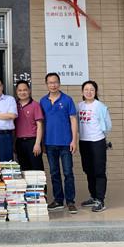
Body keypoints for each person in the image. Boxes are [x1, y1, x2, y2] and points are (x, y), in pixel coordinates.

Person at [40, 72, 79, 214]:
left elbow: (73, 120)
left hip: (66, 143)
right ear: (46, 84)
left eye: (55, 82)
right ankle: (58, 200)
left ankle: (70, 201)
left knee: (68, 173)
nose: (53, 85)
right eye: (50, 82)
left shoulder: (67, 100)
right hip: (50, 143)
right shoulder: (43, 101)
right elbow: (41, 123)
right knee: (54, 173)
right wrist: (42, 142)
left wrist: (74, 140)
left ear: (59, 83)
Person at [78, 80, 112, 213]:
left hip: (97, 141)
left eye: (92, 90)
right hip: (84, 141)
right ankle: (93, 196)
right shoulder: (79, 106)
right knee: (88, 170)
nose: (89, 92)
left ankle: (100, 200)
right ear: (82, 92)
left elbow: (108, 125)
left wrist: (100, 135)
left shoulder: (100, 106)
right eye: (86, 90)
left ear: (96, 92)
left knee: (99, 171)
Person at [14, 80, 44, 171]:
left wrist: (37, 144)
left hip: (33, 141)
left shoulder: (35, 105)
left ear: (29, 91)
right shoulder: (14, 105)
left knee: (37, 170)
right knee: (23, 170)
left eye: (25, 90)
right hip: (19, 142)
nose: (22, 92)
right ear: (16, 92)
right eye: (20, 90)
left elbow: (40, 126)